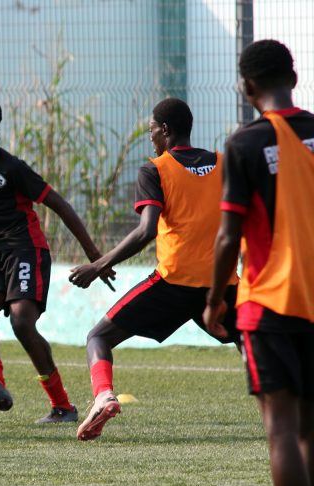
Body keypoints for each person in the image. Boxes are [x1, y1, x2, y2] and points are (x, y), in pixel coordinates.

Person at [70, 97, 239, 441]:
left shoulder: (155, 169)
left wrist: (98, 265)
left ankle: (104, 396)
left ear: (165, 129)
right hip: (221, 283)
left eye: (151, 130)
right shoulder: (225, 164)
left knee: (98, 337)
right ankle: (291, 402)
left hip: (173, 283)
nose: (150, 138)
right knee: (251, 343)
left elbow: (146, 231)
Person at [0, 95, 113, 424]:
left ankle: (62, 406)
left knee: (21, 323)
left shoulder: (11, 168)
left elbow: (60, 205)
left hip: (26, 248)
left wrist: (96, 257)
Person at [203, 40, 314, 486]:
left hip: (269, 302)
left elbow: (228, 235)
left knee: (281, 429)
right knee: (310, 428)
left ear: (246, 87)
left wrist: (213, 302)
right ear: (294, 77)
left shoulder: (245, 144)